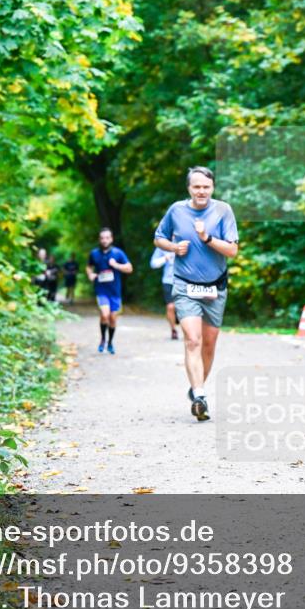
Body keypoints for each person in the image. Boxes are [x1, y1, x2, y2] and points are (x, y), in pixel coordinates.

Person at [153, 166, 239, 421]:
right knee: (192, 339)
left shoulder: (223, 210)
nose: (201, 191)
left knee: (209, 344)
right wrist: (172, 246)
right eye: (196, 187)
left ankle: (196, 386)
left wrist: (206, 237)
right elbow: (159, 238)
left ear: (212, 188)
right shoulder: (176, 210)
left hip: (215, 286)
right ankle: (200, 395)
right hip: (184, 285)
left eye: (206, 187)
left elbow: (232, 251)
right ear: (189, 188)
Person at [86, 228, 133, 354]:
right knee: (105, 315)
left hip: (115, 291)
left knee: (112, 318)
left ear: (111, 239)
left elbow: (129, 268)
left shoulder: (118, 253)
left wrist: (116, 265)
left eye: (107, 238)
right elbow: (89, 267)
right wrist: (90, 275)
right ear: (99, 239)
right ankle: (102, 339)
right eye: (102, 238)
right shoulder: (94, 253)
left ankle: (110, 342)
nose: (104, 240)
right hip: (101, 290)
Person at [150, 246, 179, 339]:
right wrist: (165, 258)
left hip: (183, 281)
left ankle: (179, 318)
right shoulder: (164, 246)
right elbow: (153, 264)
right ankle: (173, 330)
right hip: (168, 281)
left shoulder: (185, 241)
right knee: (170, 307)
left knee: (182, 306)